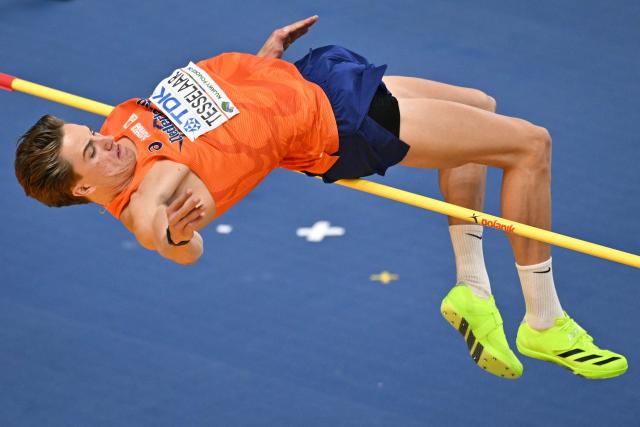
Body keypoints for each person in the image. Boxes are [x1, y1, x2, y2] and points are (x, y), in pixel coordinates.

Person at [13, 16, 627, 380]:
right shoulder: (147, 200)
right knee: (529, 146)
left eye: (91, 133)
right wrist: (174, 220)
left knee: (482, 108)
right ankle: (543, 321)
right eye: (92, 152)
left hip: (307, 81)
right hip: (337, 126)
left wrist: (259, 67)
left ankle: (472, 288)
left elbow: (218, 123)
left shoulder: (122, 134)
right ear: (85, 189)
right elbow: (173, 242)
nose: (108, 140)